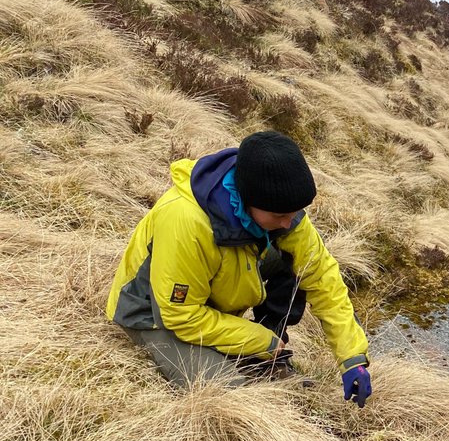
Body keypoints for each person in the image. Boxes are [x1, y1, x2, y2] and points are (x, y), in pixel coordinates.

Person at [107, 130, 372, 406]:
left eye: (293, 213)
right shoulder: (185, 221)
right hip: (152, 311)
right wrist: (258, 340)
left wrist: (351, 357)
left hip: (209, 286)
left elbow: (320, 274)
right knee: (233, 397)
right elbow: (180, 316)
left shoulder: (278, 207)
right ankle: (263, 348)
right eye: (280, 216)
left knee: (294, 262)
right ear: (247, 200)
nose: (288, 222)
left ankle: (269, 350)